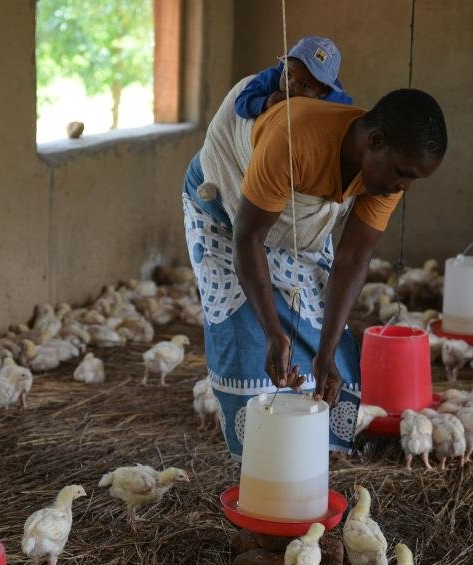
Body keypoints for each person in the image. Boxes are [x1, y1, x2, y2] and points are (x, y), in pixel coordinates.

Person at [183, 80, 447, 461]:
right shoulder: (296, 144)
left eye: (413, 179)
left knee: (328, 348)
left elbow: (352, 259)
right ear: (375, 141)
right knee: (246, 345)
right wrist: (272, 332)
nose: (404, 186)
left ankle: (306, 462)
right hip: (228, 212)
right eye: (403, 172)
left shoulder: (385, 180)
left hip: (292, 221)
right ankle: (260, 468)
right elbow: (248, 239)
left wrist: (326, 350)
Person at [234, 36, 353, 120]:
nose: (290, 84)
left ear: (322, 91)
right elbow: (240, 102)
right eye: (288, 74)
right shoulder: (271, 78)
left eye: (304, 85)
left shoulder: (334, 100)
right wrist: (265, 102)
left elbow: (349, 113)